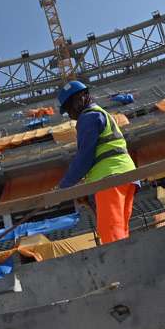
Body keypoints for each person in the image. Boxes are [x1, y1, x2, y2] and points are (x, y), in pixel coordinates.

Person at [56, 80, 139, 244]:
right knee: (120, 231)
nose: (70, 115)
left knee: (111, 233)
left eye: (69, 108)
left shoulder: (89, 117)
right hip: (126, 175)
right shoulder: (100, 113)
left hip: (110, 178)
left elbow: (84, 157)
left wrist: (63, 188)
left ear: (81, 96)